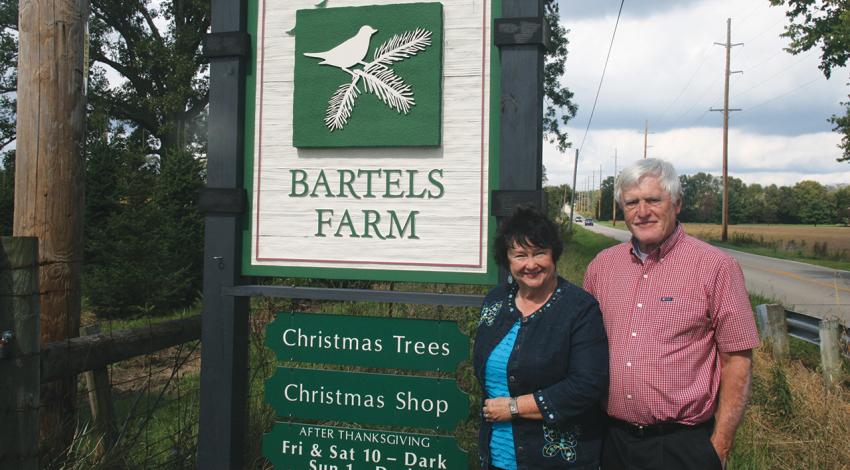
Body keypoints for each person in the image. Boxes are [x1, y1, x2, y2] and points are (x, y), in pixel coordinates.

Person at [583, 158, 760, 470]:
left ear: (676, 203)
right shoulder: (601, 267)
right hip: (613, 442)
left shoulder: (716, 267)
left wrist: (719, 446)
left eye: (653, 200)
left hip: (682, 445)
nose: (642, 211)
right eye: (632, 202)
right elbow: (584, 349)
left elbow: (737, 361)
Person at [473, 206, 609, 470]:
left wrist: (514, 407)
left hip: (556, 460)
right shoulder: (495, 303)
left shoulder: (580, 309)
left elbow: (586, 385)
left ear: (554, 255)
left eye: (539, 253)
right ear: (507, 259)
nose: (530, 264)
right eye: (520, 255)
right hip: (497, 456)